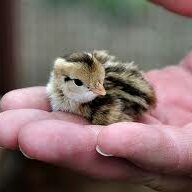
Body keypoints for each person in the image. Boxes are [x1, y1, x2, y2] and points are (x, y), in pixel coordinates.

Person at [1, 0, 192, 191]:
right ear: (63, 79)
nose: (102, 91)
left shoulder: (101, 107)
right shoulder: (66, 88)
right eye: (79, 83)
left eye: (100, 83)